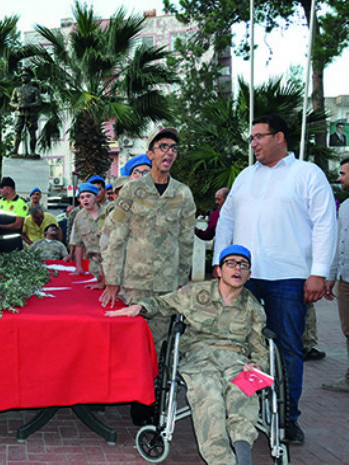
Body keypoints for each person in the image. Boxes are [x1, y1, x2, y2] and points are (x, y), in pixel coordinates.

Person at [213, 113, 337, 444]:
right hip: (244, 280)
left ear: (279, 137)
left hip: (290, 279)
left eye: (259, 136)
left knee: (286, 350)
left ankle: (286, 417)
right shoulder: (244, 178)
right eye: (251, 137)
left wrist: (319, 272)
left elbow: (326, 224)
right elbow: (226, 220)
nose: (253, 143)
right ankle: (247, 410)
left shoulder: (307, 174)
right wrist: (218, 262)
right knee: (245, 347)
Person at [106, 245, 268, 465]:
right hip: (199, 358)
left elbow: (260, 348)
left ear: (249, 274)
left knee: (243, 393)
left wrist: (256, 365)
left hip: (237, 361)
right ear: (219, 270)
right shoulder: (196, 293)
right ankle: (222, 461)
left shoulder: (253, 307)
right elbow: (163, 303)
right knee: (210, 399)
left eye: (243, 265)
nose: (237, 269)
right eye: (231, 263)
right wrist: (140, 307)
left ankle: (243, 452)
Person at [100, 126, 196, 345]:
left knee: (159, 344)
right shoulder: (131, 191)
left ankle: (156, 379)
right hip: (133, 283)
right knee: (130, 343)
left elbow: (186, 239)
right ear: (150, 154)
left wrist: (182, 280)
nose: (169, 152)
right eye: (163, 147)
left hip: (166, 285)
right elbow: (116, 237)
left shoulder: (183, 193)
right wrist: (112, 280)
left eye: (173, 148)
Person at [323, 157, 349, 393]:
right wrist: (331, 276)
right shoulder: (346, 207)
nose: (339, 178)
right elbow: (338, 243)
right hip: (345, 278)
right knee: (348, 328)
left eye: (343, 173)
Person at [69, 183, 106, 285]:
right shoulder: (79, 217)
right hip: (94, 266)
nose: (85, 200)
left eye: (88, 196)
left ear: (96, 197)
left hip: (111, 264)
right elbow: (78, 243)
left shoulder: (108, 213)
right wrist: (79, 267)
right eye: (82, 197)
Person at [9, 69, 41, 155]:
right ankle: (15, 149)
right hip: (20, 114)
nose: (24, 77)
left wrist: (28, 105)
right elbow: (12, 102)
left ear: (30, 78)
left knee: (32, 132)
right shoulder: (17, 89)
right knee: (17, 131)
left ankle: (32, 151)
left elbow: (38, 102)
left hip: (31, 114)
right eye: (22, 76)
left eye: (26, 76)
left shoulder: (34, 90)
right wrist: (17, 106)